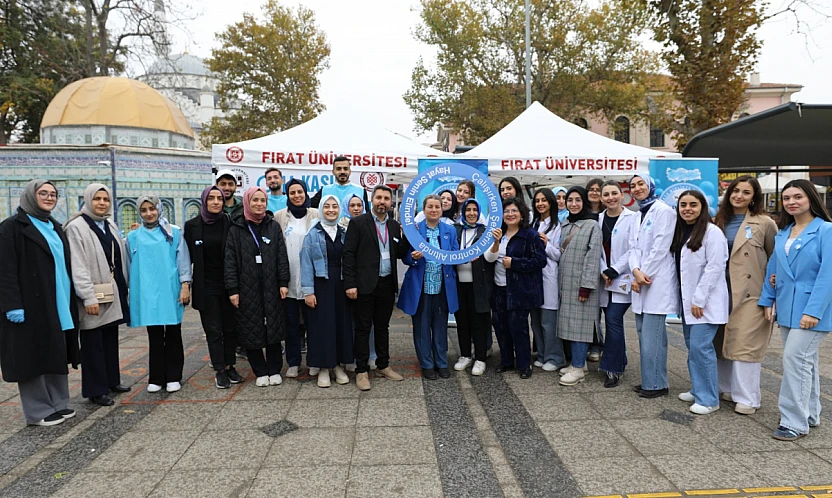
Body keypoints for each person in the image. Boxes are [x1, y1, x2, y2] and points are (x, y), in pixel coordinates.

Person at [0, 180, 80, 426]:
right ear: (30, 196)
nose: (48, 197)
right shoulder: (12, 227)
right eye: (42, 193)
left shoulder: (54, 226)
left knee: (55, 350)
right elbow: (5, 270)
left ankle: (58, 403)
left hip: (57, 301)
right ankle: (37, 411)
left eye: (53, 194)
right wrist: (13, 304)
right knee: (32, 355)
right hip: (31, 304)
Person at [759, 179, 832, 441]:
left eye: (797, 196)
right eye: (787, 198)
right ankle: (810, 414)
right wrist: (768, 299)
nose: (791, 202)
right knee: (805, 362)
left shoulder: (826, 230)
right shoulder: (784, 232)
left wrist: (813, 311)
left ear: (811, 198)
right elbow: (774, 269)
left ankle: (793, 421)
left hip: (813, 309)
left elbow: (828, 275)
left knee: (794, 360)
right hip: (788, 305)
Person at [713, 176, 777, 415]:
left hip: (752, 293)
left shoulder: (765, 223)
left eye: (746, 192)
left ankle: (748, 397)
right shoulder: (718, 221)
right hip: (721, 290)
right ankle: (726, 387)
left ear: (754, 197)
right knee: (720, 340)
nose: (739, 195)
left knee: (746, 343)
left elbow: (774, 258)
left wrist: (771, 296)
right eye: (735, 191)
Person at [65, 184, 131, 406]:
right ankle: (95, 389)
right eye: (97, 199)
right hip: (94, 294)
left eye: (105, 199)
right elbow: (78, 264)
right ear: (88, 200)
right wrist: (87, 296)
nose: (102, 203)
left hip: (113, 292)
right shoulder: (76, 227)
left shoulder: (108, 223)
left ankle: (112, 380)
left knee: (110, 339)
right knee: (93, 342)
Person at [343, 184, 407, 391]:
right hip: (364, 285)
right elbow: (349, 254)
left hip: (387, 284)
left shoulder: (395, 226)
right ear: (372, 200)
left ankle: (383, 365)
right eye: (379, 197)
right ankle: (361, 370)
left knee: (382, 327)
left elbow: (400, 252)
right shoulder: (358, 223)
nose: (382, 202)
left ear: (390, 202)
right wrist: (350, 284)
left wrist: (407, 238)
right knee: (362, 328)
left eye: (386, 198)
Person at [225, 187, 291, 387]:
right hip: (246, 288)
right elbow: (230, 262)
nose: (259, 204)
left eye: (263, 200)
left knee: (273, 328)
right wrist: (233, 290)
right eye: (255, 200)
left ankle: (274, 369)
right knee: (250, 329)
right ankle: (260, 371)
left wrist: (283, 282)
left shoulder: (273, 226)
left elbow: (281, 256)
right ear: (247, 201)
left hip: (272, 286)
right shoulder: (236, 229)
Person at [672, 190, 729, 415]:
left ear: (702, 207)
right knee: (692, 347)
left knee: (701, 347)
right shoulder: (681, 231)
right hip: (689, 304)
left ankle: (709, 399)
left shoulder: (712, 233)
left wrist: (699, 299)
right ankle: (698, 388)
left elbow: (715, 268)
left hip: (704, 303)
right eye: (683, 204)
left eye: (693, 204)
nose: (687, 208)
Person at [127, 195, 192, 393]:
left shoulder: (173, 232)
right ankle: (156, 377)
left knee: (173, 333)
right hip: (146, 291)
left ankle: (173, 376)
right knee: (154, 335)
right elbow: (130, 264)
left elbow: (183, 259)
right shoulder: (133, 236)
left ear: (159, 208)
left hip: (170, 289)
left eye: (152, 209)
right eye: (144, 210)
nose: (149, 213)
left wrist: (185, 284)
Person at [184, 186, 243, 389]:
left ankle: (230, 365)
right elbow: (185, 257)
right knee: (214, 329)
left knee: (230, 328)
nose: (216, 202)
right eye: (211, 198)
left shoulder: (230, 223)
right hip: (206, 286)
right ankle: (219, 369)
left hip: (229, 285)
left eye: (219, 198)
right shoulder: (192, 226)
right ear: (204, 201)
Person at [628, 173, 678, 398]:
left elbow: (661, 246)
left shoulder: (664, 211)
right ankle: (651, 379)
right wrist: (636, 270)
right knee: (642, 333)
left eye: (641, 184)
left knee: (653, 336)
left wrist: (643, 273)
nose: (637, 188)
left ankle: (657, 384)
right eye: (633, 185)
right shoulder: (639, 214)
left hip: (655, 281)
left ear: (650, 186)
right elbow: (632, 248)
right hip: (641, 278)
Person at [399, 195, 460, 379]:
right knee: (422, 327)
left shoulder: (450, 230)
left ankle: (441, 362)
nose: (434, 210)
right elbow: (405, 256)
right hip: (421, 286)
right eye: (430, 207)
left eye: (437, 207)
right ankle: (426, 364)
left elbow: (456, 254)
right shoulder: (415, 230)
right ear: (423, 210)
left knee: (440, 327)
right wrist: (413, 258)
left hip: (442, 286)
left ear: (442, 210)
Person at [488, 197, 546, 379]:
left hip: (520, 291)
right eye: (506, 211)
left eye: (514, 211)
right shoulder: (498, 233)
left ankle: (524, 364)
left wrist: (515, 263)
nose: (510, 214)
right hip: (498, 289)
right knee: (500, 326)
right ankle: (506, 361)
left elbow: (540, 261)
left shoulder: (530, 235)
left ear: (522, 214)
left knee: (518, 328)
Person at [301, 195, 352, 387]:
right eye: (327, 206)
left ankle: (337, 365)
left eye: (335, 206)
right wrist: (308, 291)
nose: (331, 210)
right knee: (322, 326)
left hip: (341, 284)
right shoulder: (313, 234)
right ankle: (323, 367)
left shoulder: (345, 232)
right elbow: (306, 263)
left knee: (341, 324)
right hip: (321, 285)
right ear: (321, 209)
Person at [557, 187, 602, 386]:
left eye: (577, 200)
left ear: (584, 201)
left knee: (580, 327)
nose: (573, 204)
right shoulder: (565, 224)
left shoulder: (592, 225)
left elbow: (593, 258)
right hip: (566, 283)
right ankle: (579, 363)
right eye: (570, 200)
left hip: (582, 285)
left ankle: (577, 369)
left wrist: (586, 286)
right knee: (570, 324)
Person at [275, 179, 319, 378]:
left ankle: (314, 360)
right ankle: (293, 362)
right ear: (287, 195)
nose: (297, 196)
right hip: (289, 281)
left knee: (314, 324)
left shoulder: (316, 214)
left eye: (300, 192)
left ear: (305, 192)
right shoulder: (280, 216)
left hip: (312, 281)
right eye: (292, 193)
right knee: (291, 324)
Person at [597, 181, 638, 388]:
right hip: (604, 279)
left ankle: (612, 368)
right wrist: (604, 270)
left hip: (622, 278)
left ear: (622, 195)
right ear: (601, 198)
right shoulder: (598, 219)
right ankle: (620, 360)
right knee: (611, 322)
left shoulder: (633, 218)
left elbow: (634, 248)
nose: (610, 197)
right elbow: (596, 249)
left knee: (613, 319)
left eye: (614, 193)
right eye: (606, 194)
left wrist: (614, 270)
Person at [337, 193, 378, 371]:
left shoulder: (369, 224)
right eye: (352, 205)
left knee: (367, 322)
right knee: (350, 323)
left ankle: (371, 355)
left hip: (366, 282)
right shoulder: (337, 227)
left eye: (359, 205)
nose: (356, 208)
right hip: (346, 281)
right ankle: (349, 357)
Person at [453, 199, 494, 376]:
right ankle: (465, 355)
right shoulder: (456, 230)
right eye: (468, 210)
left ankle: (480, 358)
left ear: (479, 212)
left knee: (479, 322)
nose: (471, 213)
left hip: (479, 284)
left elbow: (491, 258)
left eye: (474, 210)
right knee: (462, 321)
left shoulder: (486, 232)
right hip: (459, 285)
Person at [530, 188, 566, 372]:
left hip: (549, 277)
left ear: (551, 202)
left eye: (544, 200)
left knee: (548, 320)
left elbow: (560, 255)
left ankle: (555, 357)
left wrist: (546, 244)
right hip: (533, 277)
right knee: (535, 320)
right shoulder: (533, 223)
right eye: (537, 201)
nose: (540, 204)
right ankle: (542, 354)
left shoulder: (559, 225)